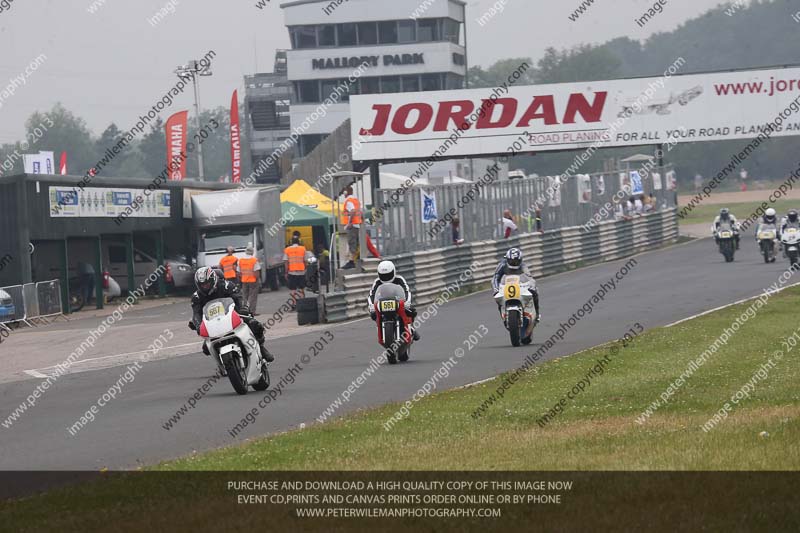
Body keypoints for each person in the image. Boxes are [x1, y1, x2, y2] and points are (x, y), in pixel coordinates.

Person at [190, 266, 274, 362]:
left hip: (233, 315)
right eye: (202, 285)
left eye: (207, 283)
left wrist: (243, 308)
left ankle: (261, 348)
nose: (205, 286)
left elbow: (239, 297)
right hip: (213, 323)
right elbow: (196, 313)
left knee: (255, 325)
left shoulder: (226, 285)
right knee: (206, 348)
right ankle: (221, 362)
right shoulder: (196, 297)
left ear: (213, 280)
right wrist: (197, 325)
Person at [367, 260, 420, 341]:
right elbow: (371, 294)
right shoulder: (377, 282)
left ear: (393, 272)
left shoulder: (399, 279)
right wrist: (371, 306)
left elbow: (407, 291)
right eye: (383, 276)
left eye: (388, 275)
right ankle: (381, 330)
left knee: (411, 311)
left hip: (398, 302)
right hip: (382, 304)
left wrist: (407, 302)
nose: (386, 278)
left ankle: (411, 328)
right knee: (374, 315)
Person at [492, 248, 541, 324]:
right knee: (498, 298)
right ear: (507, 259)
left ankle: (537, 313)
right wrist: (496, 289)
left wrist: (532, 287)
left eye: (516, 261)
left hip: (519, 285)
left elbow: (529, 277)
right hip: (505, 285)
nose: (514, 263)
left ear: (520, 260)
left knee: (535, 292)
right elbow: (495, 277)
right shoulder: (502, 265)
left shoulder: (523, 265)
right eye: (512, 261)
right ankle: (503, 315)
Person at [283, 234, 313, 306]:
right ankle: (302, 304)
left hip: (292, 272)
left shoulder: (287, 250)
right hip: (301, 272)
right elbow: (306, 260)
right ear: (299, 241)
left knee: (293, 289)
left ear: (291, 242)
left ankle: (294, 304)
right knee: (301, 288)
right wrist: (305, 268)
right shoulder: (303, 249)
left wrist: (286, 272)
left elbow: (286, 262)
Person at [341, 186, 362, 269]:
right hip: (357, 224)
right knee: (355, 242)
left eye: (344, 192)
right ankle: (357, 258)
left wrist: (349, 222)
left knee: (351, 242)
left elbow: (352, 211)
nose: (343, 194)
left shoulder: (348, 201)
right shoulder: (356, 200)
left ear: (346, 192)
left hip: (352, 225)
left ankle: (351, 261)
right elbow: (360, 211)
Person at [238, 245, 261, 315]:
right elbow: (256, 272)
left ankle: (245, 311)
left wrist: (242, 278)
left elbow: (238, 272)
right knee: (253, 297)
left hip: (244, 281)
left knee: (245, 296)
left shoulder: (241, 260)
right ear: (252, 252)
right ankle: (252, 311)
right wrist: (258, 279)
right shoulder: (254, 260)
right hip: (253, 281)